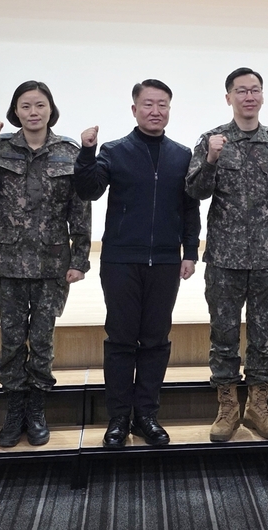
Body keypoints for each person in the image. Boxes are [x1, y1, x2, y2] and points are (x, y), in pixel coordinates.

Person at [0, 81, 90, 448]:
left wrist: (80, 259)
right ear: (15, 111)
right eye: (26, 106)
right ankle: (14, 408)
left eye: (40, 105)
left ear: (51, 109)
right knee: (12, 338)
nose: (33, 112)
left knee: (42, 339)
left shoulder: (68, 152)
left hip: (52, 262)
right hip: (7, 261)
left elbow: (80, 209)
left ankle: (37, 409)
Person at [74, 79, 201, 448]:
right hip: (120, 260)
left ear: (169, 110)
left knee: (156, 340)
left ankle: (146, 415)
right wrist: (87, 153)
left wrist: (190, 251)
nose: (155, 111)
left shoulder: (181, 155)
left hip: (165, 261)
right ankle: (118, 417)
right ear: (134, 109)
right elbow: (89, 190)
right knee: (121, 339)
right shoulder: (114, 151)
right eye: (148, 104)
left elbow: (189, 207)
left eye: (162, 105)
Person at [185, 67, 268, 442]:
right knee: (224, 336)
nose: (248, 96)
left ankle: (258, 407)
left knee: (263, 337)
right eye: (241, 91)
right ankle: (228, 408)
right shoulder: (212, 140)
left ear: (262, 96)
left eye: (254, 90)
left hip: (267, 258)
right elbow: (195, 192)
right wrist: (211, 159)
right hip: (224, 259)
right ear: (228, 97)